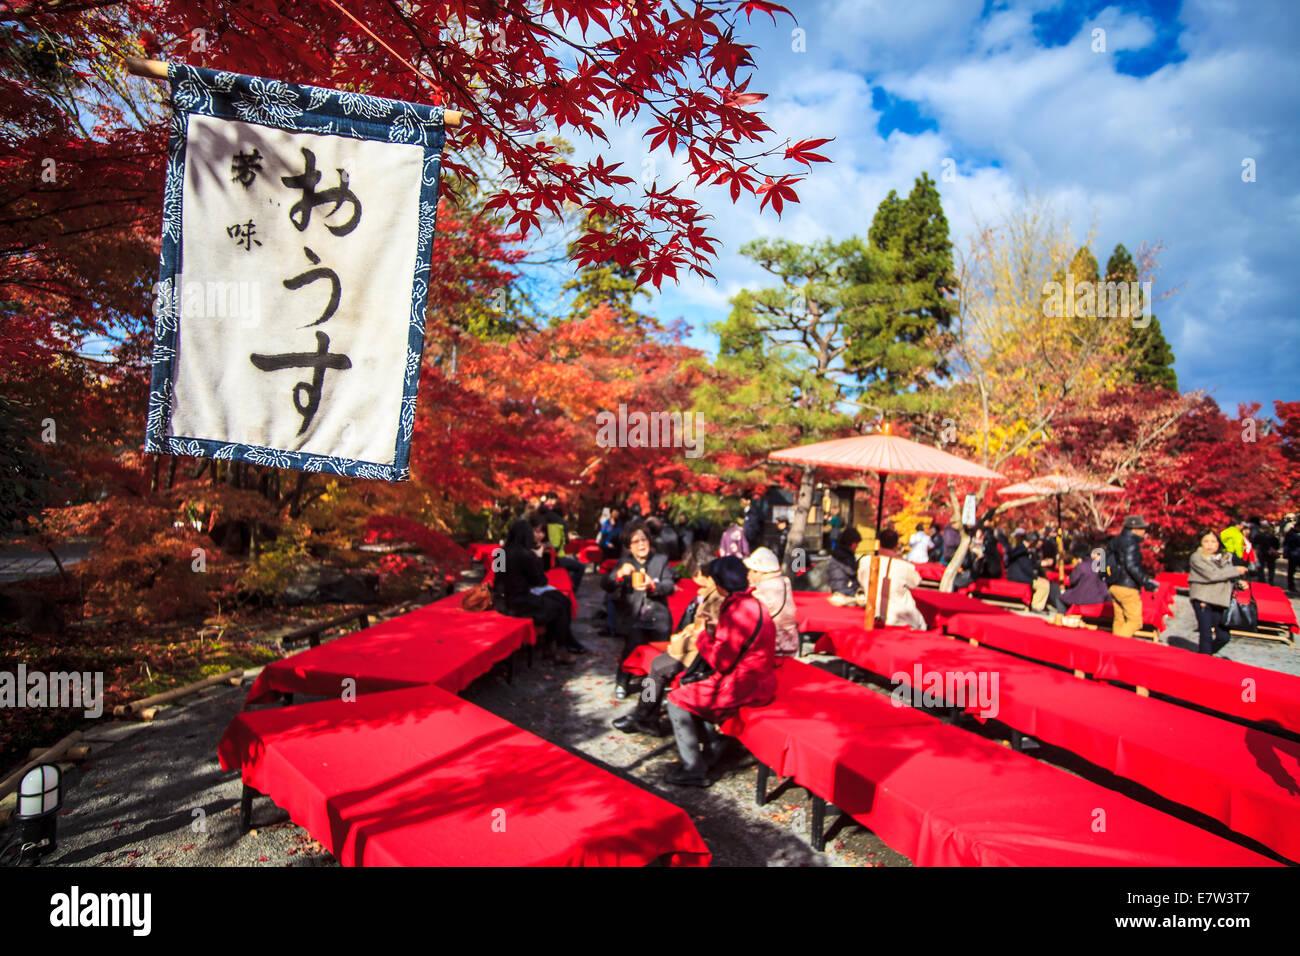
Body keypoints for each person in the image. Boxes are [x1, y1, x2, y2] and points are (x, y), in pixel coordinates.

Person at [663, 556, 776, 787]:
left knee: (676, 699)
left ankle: (694, 767)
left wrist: (704, 635)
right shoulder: (755, 604)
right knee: (691, 690)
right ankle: (713, 747)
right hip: (761, 679)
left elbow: (721, 662)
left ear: (721, 585)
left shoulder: (736, 610)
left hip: (741, 685)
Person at [612, 542, 720, 736]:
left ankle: (643, 716)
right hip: (695, 648)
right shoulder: (710, 591)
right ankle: (644, 715)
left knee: (658, 667)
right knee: (656, 666)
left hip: (699, 654)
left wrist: (678, 644)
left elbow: (703, 633)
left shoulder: (714, 595)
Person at [602, 519, 676, 698]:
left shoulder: (660, 560)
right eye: (636, 541)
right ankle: (622, 681)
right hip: (634, 616)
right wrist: (619, 575)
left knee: (656, 659)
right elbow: (606, 584)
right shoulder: (625, 562)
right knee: (631, 650)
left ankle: (649, 695)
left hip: (657, 617)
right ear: (629, 546)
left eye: (644, 540)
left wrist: (653, 586)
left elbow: (669, 586)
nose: (641, 544)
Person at [493, 519, 576, 664]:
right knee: (561, 607)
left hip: (501, 601)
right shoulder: (525, 554)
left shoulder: (500, 553)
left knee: (556, 603)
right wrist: (538, 557)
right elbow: (540, 580)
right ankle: (559, 649)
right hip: (519, 604)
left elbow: (497, 577)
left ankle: (552, 647)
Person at [1189, 529, 1249, 655]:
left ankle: (1206, 656)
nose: (1210, 544)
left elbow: (1227, 577)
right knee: (1206, 634)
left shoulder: (1225, 558)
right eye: (1206, 541)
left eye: (1213, 541)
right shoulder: (1197, 557)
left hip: (1221, 601)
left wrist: (1238, 584)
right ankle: (1204, 662)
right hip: (1203, 599)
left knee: (1223, 636)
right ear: (1200, 543)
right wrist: (1236, 570)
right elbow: (1212, 575)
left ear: (1218, 543)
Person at [855, 528, 925, 629]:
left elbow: (861, 579)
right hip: (899, 618)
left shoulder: (865, 561)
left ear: (879, 543)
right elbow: (916, 581)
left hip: (873, 613)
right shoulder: (904, 566)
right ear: (896, 546)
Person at [1105, 515, 1159, 639]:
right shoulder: (1131, 543)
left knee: (1120, 619)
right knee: (1135, 621)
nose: (1144, 532)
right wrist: (1146, 582)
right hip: (1127, 586)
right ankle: (1115, 647)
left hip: (1114, 583)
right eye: (1142, 529)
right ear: (1134, 529)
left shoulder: (1115, 541)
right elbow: (1131, 566)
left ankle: (1115, 649)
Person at [743, 547, 799, 657]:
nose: (748, 575)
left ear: (761, 572)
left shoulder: (759, 590)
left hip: (769, 647)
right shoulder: (785, 582)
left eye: (752, 570)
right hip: (790, 644)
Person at [1006, 531, 1065, 614]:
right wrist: (1036, 576)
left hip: (1020, 574)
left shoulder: (1022, 549)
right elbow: (1026, 567)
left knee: (1044, 582)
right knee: (1044, 585)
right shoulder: (1021, 551)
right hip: (1018, 576)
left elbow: (1028, 565)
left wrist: (1039, 564)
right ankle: (1037, 606)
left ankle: (1040, 604)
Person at [826, 527, 862, 597]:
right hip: (842, 589)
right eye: (856, 543)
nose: (857, 546)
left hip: (840, 586)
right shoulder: (843, 554)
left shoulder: (841, 552)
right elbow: (851, 570)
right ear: (851, 542)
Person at [1252, 520, 1279, 587]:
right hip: (1270, 554)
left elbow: (1254, 543)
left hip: (1262, 553)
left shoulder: (1259, 535)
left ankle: (1261, 580)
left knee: (1261, 567)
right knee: (1271, 567)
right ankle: (1271, 580)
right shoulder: (1272, 536)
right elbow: (1277, 545)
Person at [1284, 518, 1300, 592]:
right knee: (1291, 571)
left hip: (1296, 554)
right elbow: (1288, 543)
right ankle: (1291, 586)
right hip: (1293, 554)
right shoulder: (1291, 534)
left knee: (1292, 571)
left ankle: (1292, 585)